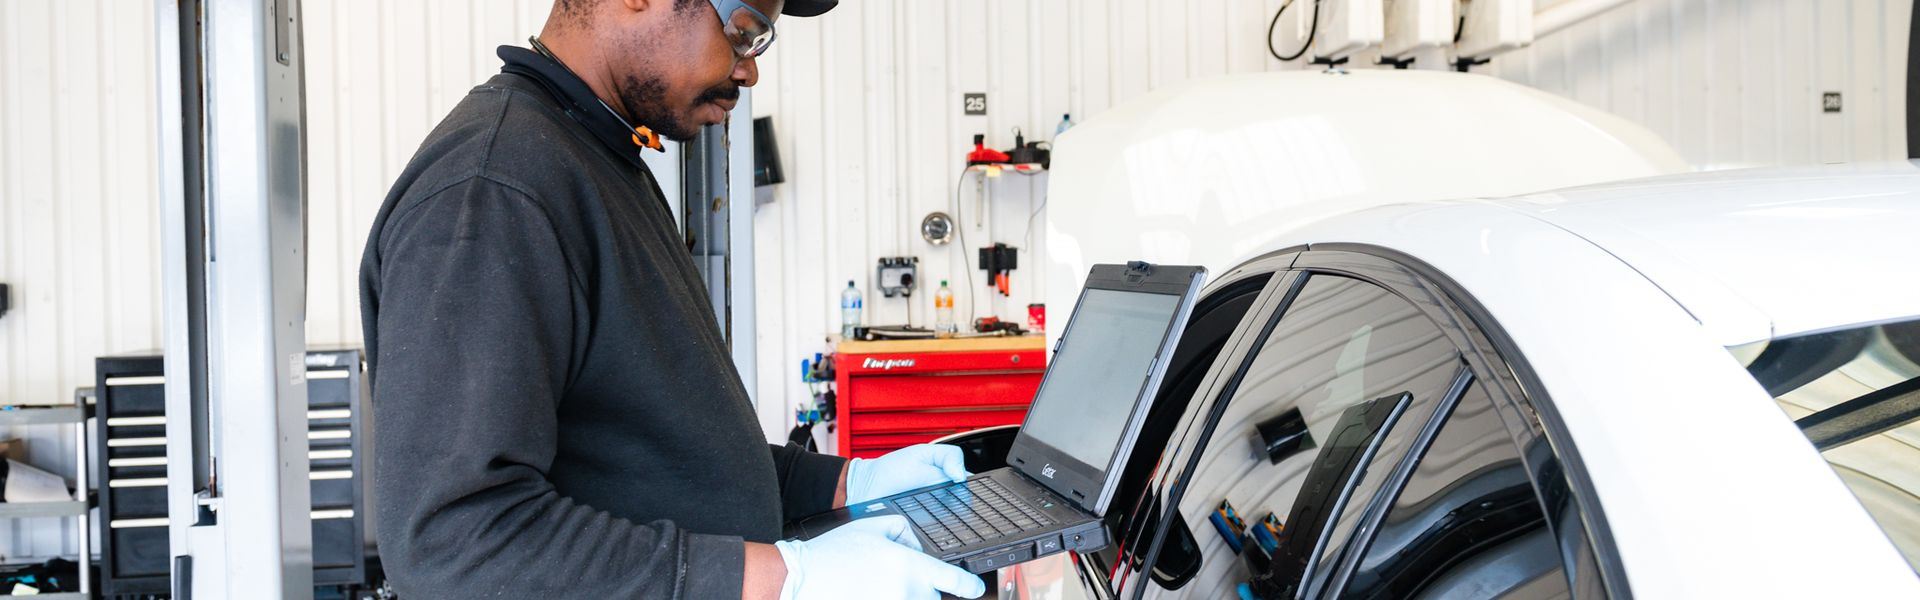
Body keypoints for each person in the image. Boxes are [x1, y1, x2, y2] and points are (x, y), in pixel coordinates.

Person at [357, 0, 987, 598]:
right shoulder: (495, 191)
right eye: (742, 31)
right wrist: (785, 581)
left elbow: (655, 446)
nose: (749, 68)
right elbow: (455, 546)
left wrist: (848, 483)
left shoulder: (600, 157)